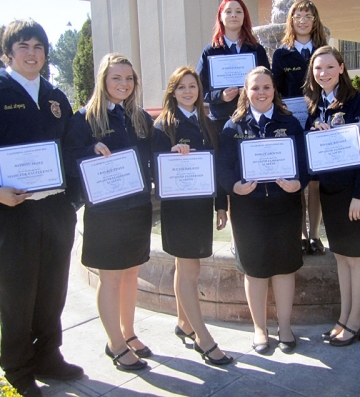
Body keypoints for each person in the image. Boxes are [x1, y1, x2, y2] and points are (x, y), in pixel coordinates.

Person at [0, 19, 83, 396]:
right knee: (17, 292)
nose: (32, 53)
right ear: (7, 53)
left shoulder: (56, 97)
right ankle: (18, 366)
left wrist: (73, 198)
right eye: (23, 46)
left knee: (52, 289)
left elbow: (70, 152)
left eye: (38, 46)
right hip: (13, 212)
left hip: (54, 211)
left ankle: (48, 355)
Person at [63, 53, 153, 372]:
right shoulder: (85, 118)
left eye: (129, 79)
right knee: (111, 278)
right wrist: (89, 151)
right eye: (116, 78)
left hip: (138, 208)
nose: (123, 84)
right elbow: (68, 157)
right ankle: (114, 344)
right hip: (106, 213)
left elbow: (155, 154)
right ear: (103, 80)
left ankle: (128, 333)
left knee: (131, 274)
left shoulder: (139, 117)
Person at [217, 66, 309, 354]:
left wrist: (299, 183)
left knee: (284, 268)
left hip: (285, 206)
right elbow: (223, 167)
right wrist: (234, 186)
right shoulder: (233, 127)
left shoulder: (290, 123)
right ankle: (259, 329)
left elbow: (305, 164)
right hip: (248, 208)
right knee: (254, 270)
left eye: (266, 87)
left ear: (274, 90)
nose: (260, 92)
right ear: (246, 91)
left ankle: (284, 327)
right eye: (254, 88)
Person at [152, 66, 233, 365]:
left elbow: (215, 168)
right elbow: (155, 174)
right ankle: (202, 336)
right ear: (172, 91)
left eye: (193, 86)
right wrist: (170, 159)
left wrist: (221, 205)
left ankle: (183, 323)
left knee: (188, 269)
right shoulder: (163, 127)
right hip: (179, 211)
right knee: (188, 271)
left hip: (200, 208)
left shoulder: (207, 124)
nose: (188, 91)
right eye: (182, 87)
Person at [303, 46, 360, 346]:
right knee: (342, 258)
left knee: (356, 258)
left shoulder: (356, 103)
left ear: (342, 68)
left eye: (329, 67)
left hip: (351, 194)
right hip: (330, 193)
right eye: (318, 69)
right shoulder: (315, 106)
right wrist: (315, 132)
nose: (323, 73)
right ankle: (345, 316)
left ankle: (357, 320)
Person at [272, 0, 327, 256]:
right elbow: (277, 92)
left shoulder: (324, 50)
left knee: (315, 182)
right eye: (298, 16)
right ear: (291, 21)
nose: (303, 20)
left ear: (315, 21)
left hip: (318, 124)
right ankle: (301, 235)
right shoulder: (282, 53)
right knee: (297, 181)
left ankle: (315, 235)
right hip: (293, 125)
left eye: (308, 16)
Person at [197, 0, 270, 133]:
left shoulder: (256, 49)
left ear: (244, 17)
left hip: (253, 117)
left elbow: (270, 82)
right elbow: (199, 90)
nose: (233, 15)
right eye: (228, 11)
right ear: (221, 17)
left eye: (238, 11)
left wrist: (252, 91)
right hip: (221, 120)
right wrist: (221, 96)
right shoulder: (210, 51)